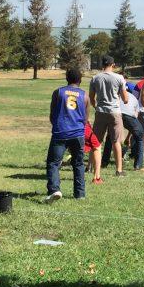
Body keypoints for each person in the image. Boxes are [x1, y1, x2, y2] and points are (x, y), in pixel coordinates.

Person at [45, 67, 88, 201]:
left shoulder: (58, 92)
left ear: (67, 78)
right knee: (78, 164)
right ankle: (80, 194)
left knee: (53, 163)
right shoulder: (85, 95)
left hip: (60, 132)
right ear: (80, 80)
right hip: (78, 134)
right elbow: (86, 119)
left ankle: (54, 189)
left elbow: (52, 114)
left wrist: (57, 125)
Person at [89, 55, 129, 176]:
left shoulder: (95, 78)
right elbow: (126, 99)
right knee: (116, 141)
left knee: (96, 141)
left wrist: (96, 106)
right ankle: (119, 170)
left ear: (102, 65)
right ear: (113, 65)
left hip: (101, 111)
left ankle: (89, 167)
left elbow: (91, 97)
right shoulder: (119, 78)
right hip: (114, 112)